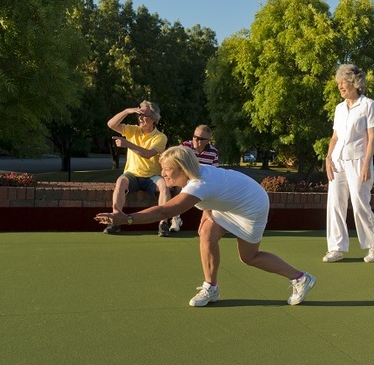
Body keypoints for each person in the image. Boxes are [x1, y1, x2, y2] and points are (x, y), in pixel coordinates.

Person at [95, 146, 317, 307]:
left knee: (249, 257)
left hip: (251, 206)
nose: (163, 173)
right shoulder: (195, 173)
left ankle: (300, 278)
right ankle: (211, 288)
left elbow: (165, 211)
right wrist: (207, 212)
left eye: (167, 169)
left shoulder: (198, 185)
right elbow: (218, 192)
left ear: (182, 169)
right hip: (233, 200)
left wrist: (126, 219)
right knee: (207, 232)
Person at [323, 64, 374, 264]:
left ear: (355, 83)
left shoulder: (368, 105)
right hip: (337, 161)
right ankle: (336, 248)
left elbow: (372, 137)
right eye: (339, 83)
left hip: (359, 160)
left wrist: (367, 164)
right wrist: (328, 158)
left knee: (359, 204)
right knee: (335, 204)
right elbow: (335, 137)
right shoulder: (339, 108)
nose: (340, 87)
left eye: (344, 83)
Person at [104, 101, 172, 237]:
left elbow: (148, 154)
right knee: (120, 182)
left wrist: (127, 144)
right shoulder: (132, 130)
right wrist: (127, 111)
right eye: (139, 115)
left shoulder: (160, 137)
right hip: (132, 175)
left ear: (153, 118)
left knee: (164, 186)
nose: (140, 118)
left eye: (144, 115)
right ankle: (116, 219)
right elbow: (111, 124)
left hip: (152, 176)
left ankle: (163, 223)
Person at [169, 124, 220, 232]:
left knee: (215, 189)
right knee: (179, 187)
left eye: (201, 139)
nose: (196, 140)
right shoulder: (184, 147)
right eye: (195, 137)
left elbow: (214, 171)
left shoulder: (213, 152)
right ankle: (175, 219)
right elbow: (177, 166)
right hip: (186, 178)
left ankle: (213, 221)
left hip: (203, 181)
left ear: (208, 140)